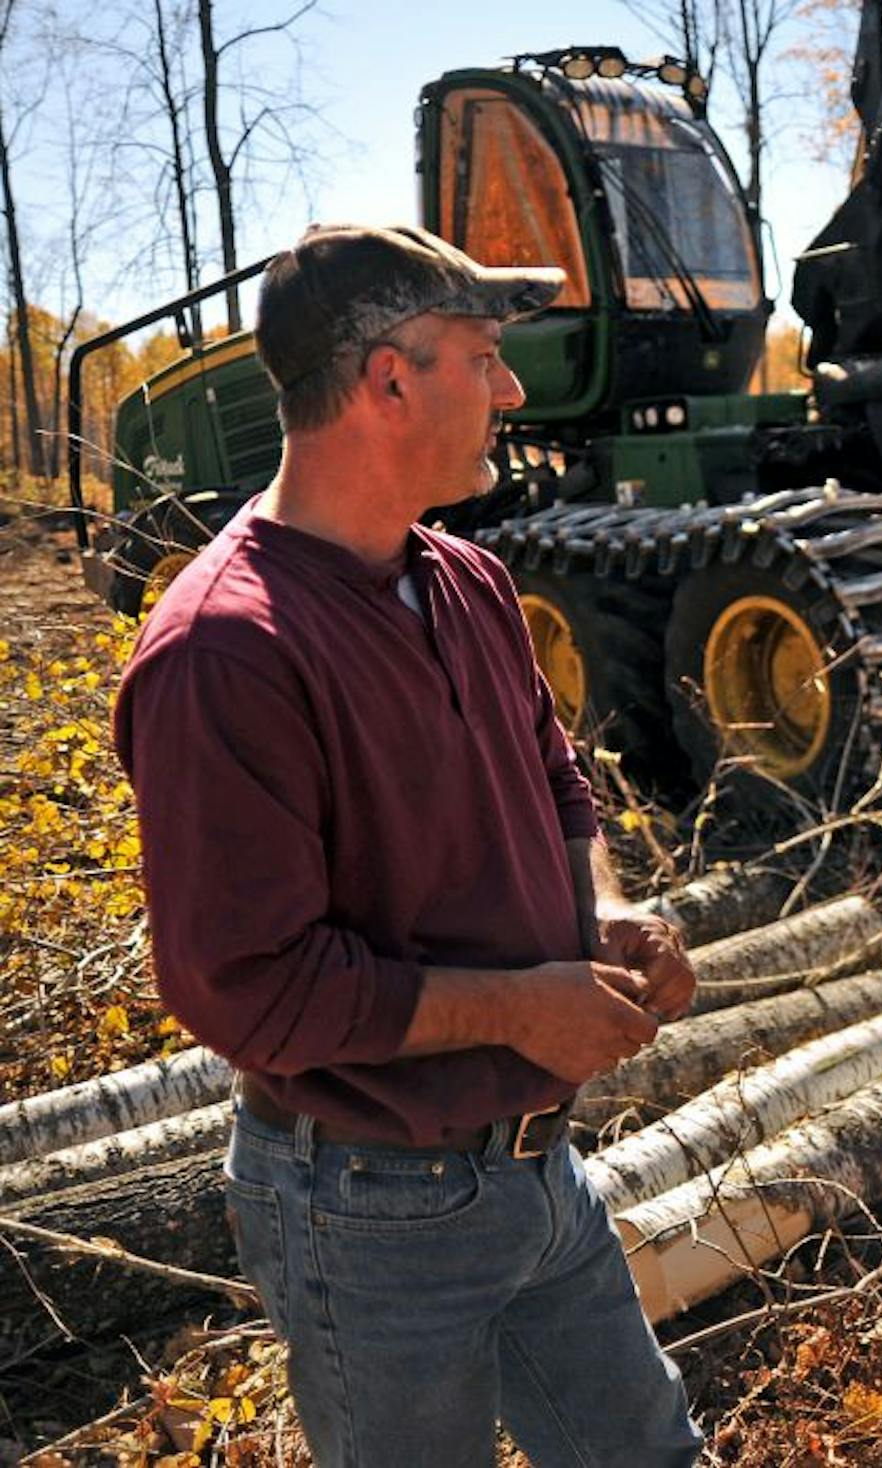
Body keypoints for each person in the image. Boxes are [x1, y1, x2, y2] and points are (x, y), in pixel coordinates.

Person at [113, 223, 705, 1466]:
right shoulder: (227, 652)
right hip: (369, 1207)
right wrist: (517, 1009)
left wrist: (597, 912)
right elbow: (249, 985)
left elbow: (557, 779)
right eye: (485, 356)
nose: (512, 391)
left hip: (543, 1178)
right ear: (390, 377)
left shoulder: (468, 581)